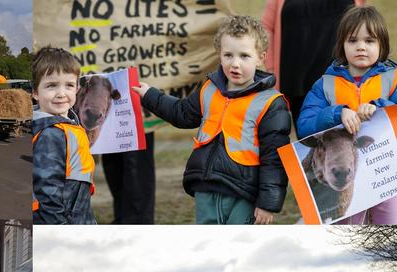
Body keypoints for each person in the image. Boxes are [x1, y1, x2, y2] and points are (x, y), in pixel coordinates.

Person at [133, 15, 291, 225]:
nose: (235, 63)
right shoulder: (209, 89)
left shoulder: (271, 103)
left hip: (244, 193)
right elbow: (181, 113)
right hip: (205, 187)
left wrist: (268, 202)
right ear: (219, 55)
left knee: (237, 248)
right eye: (228, 55)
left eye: (244, 56)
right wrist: (150, 95)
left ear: (260, 57)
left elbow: (275, 157)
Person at [297, 5, 397, 224]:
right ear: (342, 45)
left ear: (382, 45)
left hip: (387, 173)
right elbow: (304, 126)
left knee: (387, 227)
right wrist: (335, 114)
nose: (361, 47)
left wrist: (381, 106)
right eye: (353, 41)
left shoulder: (393, 80)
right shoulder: (326, 85)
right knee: (346, 226)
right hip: (345, 174)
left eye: (369, 41)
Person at [32, 46, 96, 224]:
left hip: (77, 214)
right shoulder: (51, 134)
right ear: (36, 92)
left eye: (69, 85)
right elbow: (48, 193)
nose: (61, 94)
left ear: (77, 88)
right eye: (51, 86)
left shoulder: (69, 123)